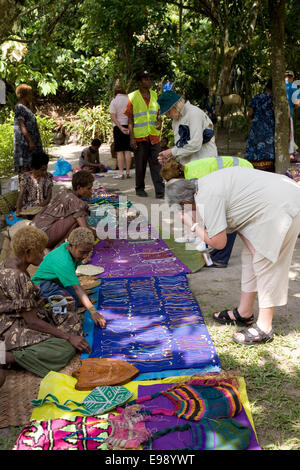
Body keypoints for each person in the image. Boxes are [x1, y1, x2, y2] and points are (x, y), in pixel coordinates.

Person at [165, 167, 300, 346]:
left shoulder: (208, 198)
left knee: (265, 262)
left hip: (282, 204)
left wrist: (192, 224)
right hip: (278, 198)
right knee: (251, 257)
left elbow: (218, 243)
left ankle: (264, 328)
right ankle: (244, 313)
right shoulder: (202, 185)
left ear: (185, 201)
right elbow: (238, 221)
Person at [0, 225, 91, 378]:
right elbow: (31, 322)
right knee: (63, 349)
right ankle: (6, 357)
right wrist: (67, 337)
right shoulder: (16, 276)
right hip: (11, 326)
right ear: (28, 252)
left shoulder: (14, 265)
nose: (44, 255)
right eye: (40, 251)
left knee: (69, 315)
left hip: (29, 314)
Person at [32, 227, 106, 328]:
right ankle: (52, 318)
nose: (85, 256)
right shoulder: (63, 261)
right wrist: (93, 312)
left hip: (57, 282)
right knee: (66, 311)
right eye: (82, 252)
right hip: (42, 286)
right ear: (71, 246)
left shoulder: (68, 247)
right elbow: (77, 287)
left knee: (76, 300)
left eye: (87, 252)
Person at [125, 70, 165, 198]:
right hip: (140, 137)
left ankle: (160, 191)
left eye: (149, 79)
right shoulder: (132, 97)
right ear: (140, 82)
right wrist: (131, 138)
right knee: (140, 165)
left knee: (157, 164)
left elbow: (158, 113)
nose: (149, 81)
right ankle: (140, 188)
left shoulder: (154, 94)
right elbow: (130, 119)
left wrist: (159, 122)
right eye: (146, 79)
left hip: (153, 136)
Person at [32, 170, 95, 249]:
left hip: (33, 232)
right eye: (88, 188)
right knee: (77, 220)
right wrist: (104, 236)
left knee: (76, 217)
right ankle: (59, 247)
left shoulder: (63, 192)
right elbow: (85, 229)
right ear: (79, 187)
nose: (91, 191)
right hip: (43, 236)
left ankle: (57, 246)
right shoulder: (76, 202)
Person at [157, 90, 218, 166]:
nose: (168, 116)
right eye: (166, 114)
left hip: (204, 161)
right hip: (188, 164)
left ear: (175, 105)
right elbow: (180, 146)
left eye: (168, 112)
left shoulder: (194, 113)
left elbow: (195, 144)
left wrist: (172, 152)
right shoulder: (175, 121)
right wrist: (171, 157)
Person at [245, 79, 275, 172]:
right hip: (270, 128)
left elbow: (250, 113)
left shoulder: (258, 97)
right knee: (268, 149)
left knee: (255, 149)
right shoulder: (276, 99)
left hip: (257, 128)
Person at [13, 84, 43, 173]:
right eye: (30, 94)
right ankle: (25, 185)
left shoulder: (26, 108)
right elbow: (22, 125)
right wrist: (30, 141)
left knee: (33, 167)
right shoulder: (20, 107)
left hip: (30, 142)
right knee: (26, 167)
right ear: (24, 95)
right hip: (25, 144)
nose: (32, 96)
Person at [16, 151, 53, 216]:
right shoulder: (26, 178)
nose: (45, 172)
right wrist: (18, 210)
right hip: (29, 207)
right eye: (42, 170)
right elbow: (21, 196)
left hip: (43, 205)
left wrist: (38, 208)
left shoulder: (48, 177)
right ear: (34, 169)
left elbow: (48, 198)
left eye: (46, 169)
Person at [109, 85, 133, 179]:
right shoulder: (129, 100)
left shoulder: (114, 101)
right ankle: (127, 172)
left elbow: (113, 116)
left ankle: (120, 172)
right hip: (129, 125)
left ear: (116, 93)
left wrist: (120, 127)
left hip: (118, 127)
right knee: (128, 150)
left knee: (120, 151)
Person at [284, 71, 300, 159]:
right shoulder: (293, 87)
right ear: (292, 78)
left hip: (275, 114)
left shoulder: (278, 86)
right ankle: (290, 153)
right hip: (288, 113)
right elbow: (298, 104)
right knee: (290, 132)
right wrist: (293, 108)